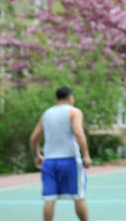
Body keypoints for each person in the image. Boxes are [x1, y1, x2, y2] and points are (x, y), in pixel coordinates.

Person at [29, 86, 92, 221]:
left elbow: (34, 138)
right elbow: (78, 133)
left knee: (49, 199)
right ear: (70, 98)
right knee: (79, 197)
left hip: (50, 162)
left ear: (57, 98)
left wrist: (37, 155)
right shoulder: (74, 112)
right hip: (70, 161)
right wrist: (86, 155)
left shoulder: (46, 114)